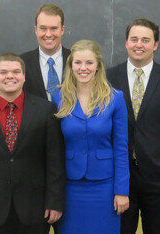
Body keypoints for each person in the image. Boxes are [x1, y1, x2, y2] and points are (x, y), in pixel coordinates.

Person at [0, 53, 65, 234]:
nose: (10, 76)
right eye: (3, 72)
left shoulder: (45, 110)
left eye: (16, 72)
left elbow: (55, 160)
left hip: (34, 208)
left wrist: (54, 202)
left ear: (24, 77)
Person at [106, 19, 160, 234]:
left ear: (155, 45)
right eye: (134, 39)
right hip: (120, 181)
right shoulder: (108, 77)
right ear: (126, 43)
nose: (139, 44)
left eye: (145, 40)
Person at [53, 40, 129, 234]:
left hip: (105, 188)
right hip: (70, 188)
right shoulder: (58, 97)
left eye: (89, 63)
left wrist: (122, 191)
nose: (83, 68)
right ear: (71, 66)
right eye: (78, 63)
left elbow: (121, 147)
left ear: (98, 66)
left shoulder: (115, 98)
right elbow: (54, 147)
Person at [20, 3, 70, 101]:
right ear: (36, 30)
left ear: (62, 30)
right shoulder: (21, 63)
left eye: (54, 28)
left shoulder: (76, 60)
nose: (48, 34)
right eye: (43, 28)